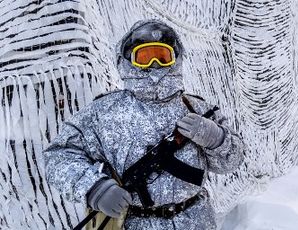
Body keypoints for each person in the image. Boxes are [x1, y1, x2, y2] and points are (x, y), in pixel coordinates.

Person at [44, 19, 244, 230]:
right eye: (145, 57)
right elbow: (59, 156)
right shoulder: (103, 113)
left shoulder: (197, 108)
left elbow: (233, 162)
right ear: (127, 61)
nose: (154, 66)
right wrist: (95, 188)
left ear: (176, 59)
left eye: (162, 56)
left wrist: (216, 138)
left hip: (196, 221)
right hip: (134, 223)